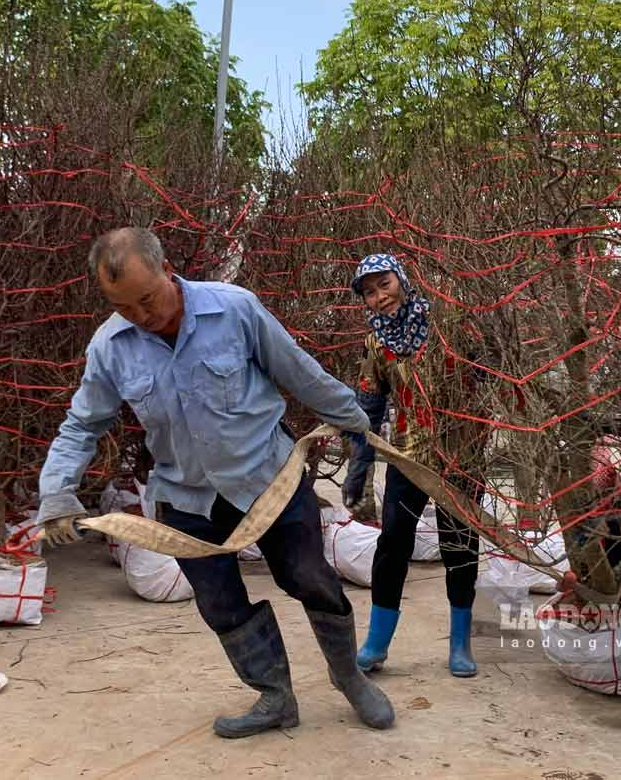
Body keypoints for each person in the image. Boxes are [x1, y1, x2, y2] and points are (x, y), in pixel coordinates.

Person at [36, 227, 395, 739]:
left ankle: (348, 677)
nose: (141, 316)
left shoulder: (235, 310)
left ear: (166, 270)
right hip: (186, 500)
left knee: (309, 577)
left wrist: (357, 421)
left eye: (147, 299)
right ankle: (275, 697)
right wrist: (57, 492)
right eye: (123, 306)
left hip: (268, 480)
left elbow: (298, 372)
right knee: (220, 603)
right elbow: (82, 424)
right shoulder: (109, 348)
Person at [340, 253, 484, 678]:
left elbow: (488, 368)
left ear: (402, 279)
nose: (378, 297)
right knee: (392, 546)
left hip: (460, 455)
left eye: (383, 284)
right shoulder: (376, 341)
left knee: (460, 547)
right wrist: (358, 470)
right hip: (407, 456)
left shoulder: (449, 326)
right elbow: (368, 406)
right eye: (368, 292)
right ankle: (376, 644)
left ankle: (460, 644)